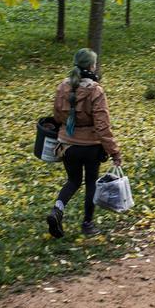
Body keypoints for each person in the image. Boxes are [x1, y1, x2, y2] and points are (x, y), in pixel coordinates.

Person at [48, 48, 122, 238]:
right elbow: (102, 126)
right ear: (91, 66)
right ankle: (88, 224)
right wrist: (114, 152)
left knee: (73, 181)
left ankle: (57, 210)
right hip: (91, 147)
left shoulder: (62, 87)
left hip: (67, 146)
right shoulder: (95, 90)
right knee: (91, 182)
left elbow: (57, 115)